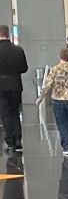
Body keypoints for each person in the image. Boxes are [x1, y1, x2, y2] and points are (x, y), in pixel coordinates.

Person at [36, 46, 68, 155]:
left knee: (62, 123)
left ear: (59, 57)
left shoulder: (55, 69)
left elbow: (47, 84)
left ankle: (67, 147)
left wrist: (41, 97)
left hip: (58, 99)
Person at [0, 25, 28, 153]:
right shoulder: (18, 50)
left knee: (5, 113)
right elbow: (24, 68)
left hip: (1, 86)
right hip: (16, 84)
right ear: (8, 34)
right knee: (15, 112)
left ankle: (10, 141)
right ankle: (18, 140)